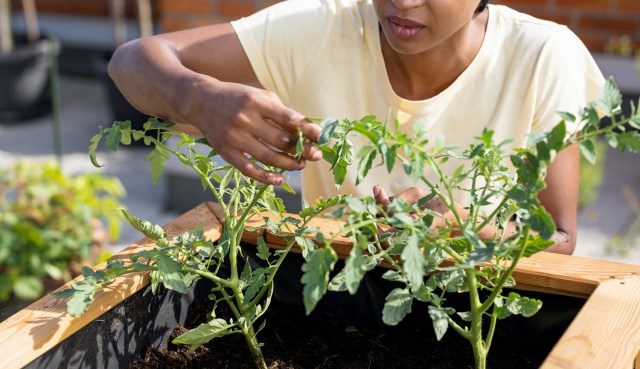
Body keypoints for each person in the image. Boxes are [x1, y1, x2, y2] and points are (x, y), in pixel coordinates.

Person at [108, 0, 602, 329]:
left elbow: (557, 239)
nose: (401, 1)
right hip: (337, 305)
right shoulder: (326, 28)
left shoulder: (541, 56)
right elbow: (132, 61)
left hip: (477, 313)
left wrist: (466, 224)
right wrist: (200, 99)